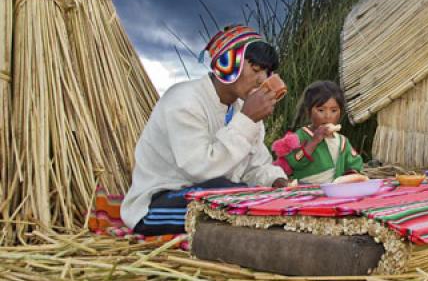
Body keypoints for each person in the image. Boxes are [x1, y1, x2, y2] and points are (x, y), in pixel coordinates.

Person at [121, 25, 288, 234]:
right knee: (232, 195)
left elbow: (254, 167)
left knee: (247, 197)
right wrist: (246, 120)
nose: (262, 79)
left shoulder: (242, 111)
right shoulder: (183, 101)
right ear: (228, 63)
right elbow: (200, 168)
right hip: (157, 204)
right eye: (255, 69)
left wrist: (277, 182)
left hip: (216, 192)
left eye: (267, 72)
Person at [272, 80, 363, 184]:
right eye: (321, 110)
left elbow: (355, 164)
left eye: (334, 110)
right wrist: (314, 141)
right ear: (308, 111)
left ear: (340, 112)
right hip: (305, 189)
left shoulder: (342, 142)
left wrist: (350, 176)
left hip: (334, 191)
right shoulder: (299, 136)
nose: (328, 116)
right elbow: (294, 163)